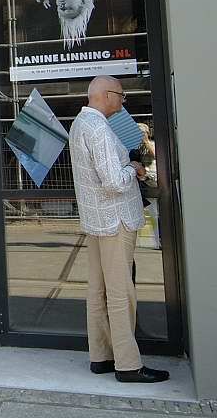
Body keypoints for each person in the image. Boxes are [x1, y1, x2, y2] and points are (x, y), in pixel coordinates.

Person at [68, 76, 168, 383]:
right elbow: (113, 181)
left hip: (97, 221)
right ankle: (128, 364)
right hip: (115, 221)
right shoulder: (98, 129)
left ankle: (101, 356)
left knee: (97, 290)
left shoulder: (79, 124)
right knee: (121, 292)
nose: (123, 101)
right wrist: (134, 169)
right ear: (106, 95)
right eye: (121, 95)